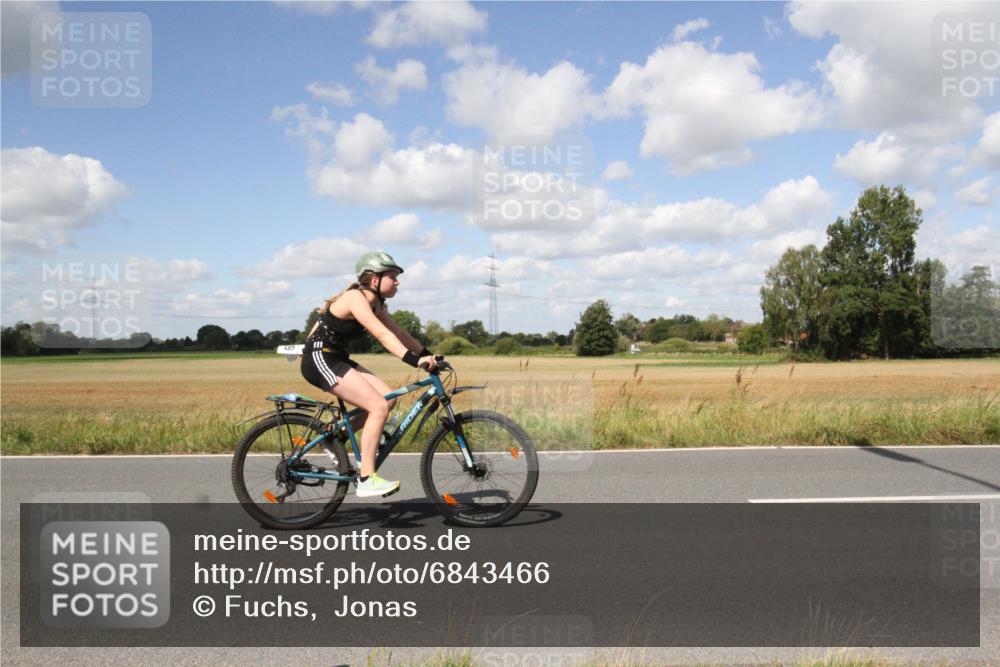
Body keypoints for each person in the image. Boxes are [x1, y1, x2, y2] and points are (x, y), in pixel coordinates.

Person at [300, 250, 436, 498]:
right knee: (378, 407)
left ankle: (333, 437)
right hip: (320, 358)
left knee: (388, 398)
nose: (397, 281)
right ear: (374, 279)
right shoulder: (355, 297)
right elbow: (382, 335)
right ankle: (366, 478)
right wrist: (415, 361)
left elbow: (400, 333)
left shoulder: (377, 303)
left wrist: (429, 354)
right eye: (392, 276)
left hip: (336, 358)